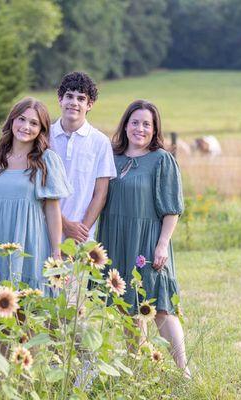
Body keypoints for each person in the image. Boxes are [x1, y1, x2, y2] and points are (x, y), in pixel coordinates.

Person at [97, 99, 191, 377]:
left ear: (154, 129)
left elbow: (172, 207)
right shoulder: (112, 158)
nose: (140, 128)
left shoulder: (162, 159)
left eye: (146, 124)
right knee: (128, 305)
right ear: (125, 125)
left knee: (160, 306)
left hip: (148, 240)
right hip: (116, 238)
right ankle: (138, 367)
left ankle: (184, 370)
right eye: (135, 122)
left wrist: (162, 243)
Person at [0, 97, 72, 291]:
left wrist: (57, 252)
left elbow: (52, 209)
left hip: (29, 239)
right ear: (12, 121)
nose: (26, 126)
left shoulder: (46, 161)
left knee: (27, 303)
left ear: (41, 130)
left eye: (34, 123)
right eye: (21, 119)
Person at [50, 72, 116, 243]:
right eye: (69, 96)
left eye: (81, 98)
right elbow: (39, 187)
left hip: (82, 235)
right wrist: (64, 224)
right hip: (45, 229)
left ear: (90, 105)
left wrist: (80, 232)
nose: (74, 102)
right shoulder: (45, 136)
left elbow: (100, 194)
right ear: (60, 99)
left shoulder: (100, 142)